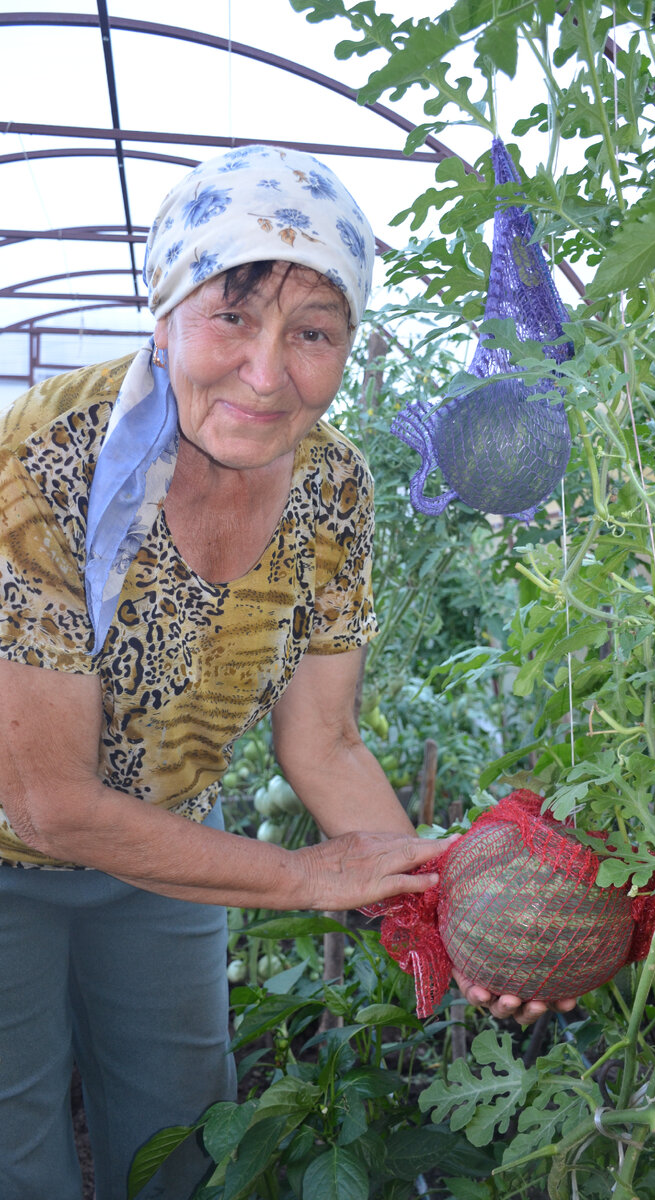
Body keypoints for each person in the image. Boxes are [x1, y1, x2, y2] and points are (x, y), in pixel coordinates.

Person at [0, 144, 573, 1200]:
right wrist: (312, 877)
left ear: (347, 345)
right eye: (231, 316)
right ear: (164, 312)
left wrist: (459, 911)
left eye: (312, 332)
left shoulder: (335, 488)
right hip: (8, 851)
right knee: (17, 1155)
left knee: (180, 1143)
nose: (268, 375)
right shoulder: (44, 463)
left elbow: (324, 740)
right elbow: (44, 804)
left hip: (165, 846)